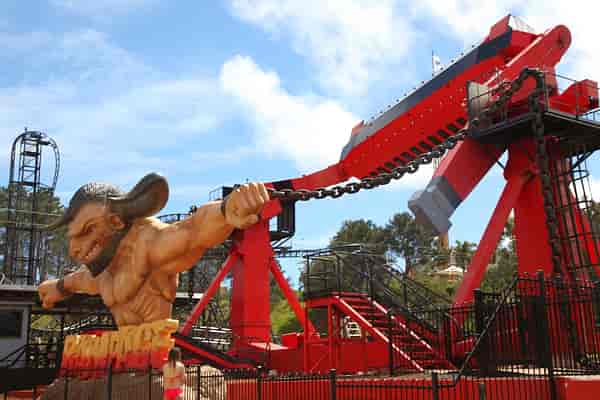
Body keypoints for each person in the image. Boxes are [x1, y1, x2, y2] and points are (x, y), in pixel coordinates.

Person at [37, 173, 268, 326]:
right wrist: (59, 287)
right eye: (74, 237)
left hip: (155, 365)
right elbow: (81, 280)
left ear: (116, 222)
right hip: (125, 363)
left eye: (88, 230)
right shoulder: (105, 270)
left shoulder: (149, 244)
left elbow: (192, 230)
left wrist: (226, 209)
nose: (74, 250)